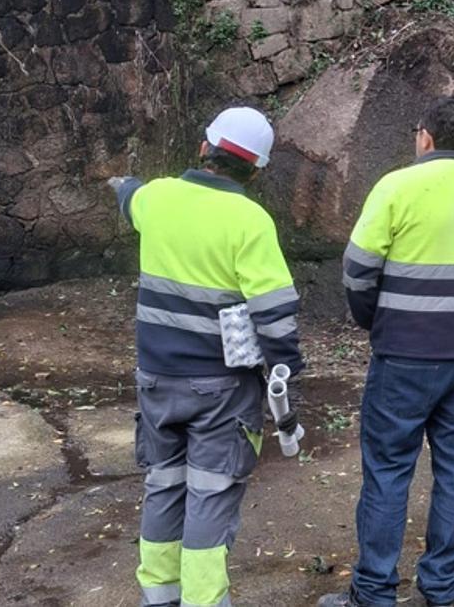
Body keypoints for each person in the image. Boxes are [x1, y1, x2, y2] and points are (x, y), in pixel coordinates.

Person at [319, 97, 454, 607]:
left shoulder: (396, 187)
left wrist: (372, 318)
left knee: (387, 469)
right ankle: (442, 588)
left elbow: (357, 269)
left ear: (424, 135)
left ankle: (375, 591)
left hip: (404, 354)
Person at [110, 106, 304, 607]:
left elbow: (130, 196)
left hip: (156, 380)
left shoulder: (156, 199)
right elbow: (276, 315)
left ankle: (158, 597)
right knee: (210, 495)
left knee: (163, 485)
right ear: (256, 170)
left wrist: (124, 184)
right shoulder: (250, 220)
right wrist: (286, 371)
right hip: (221, 390)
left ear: (203, 147)